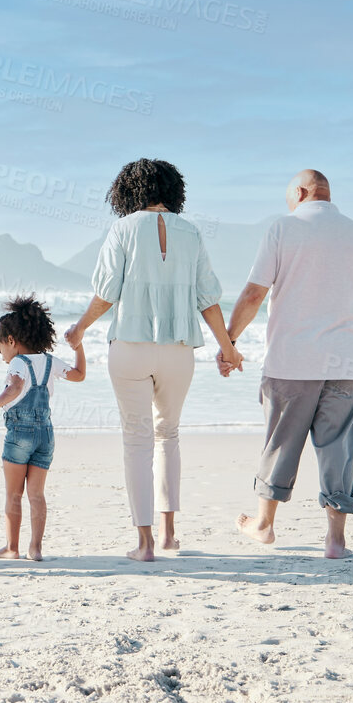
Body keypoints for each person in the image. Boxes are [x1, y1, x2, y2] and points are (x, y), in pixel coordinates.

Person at [64, 158, 243, 563]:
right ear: (172, 190)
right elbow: (207, 298)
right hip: (179, 351)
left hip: (129, 346)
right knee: (169, 435)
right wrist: (227, 348)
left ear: (127, 192)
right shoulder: (192, 232)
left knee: (137, 440)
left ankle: (143, 543)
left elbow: (107, 292)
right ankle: (168, 534)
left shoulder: (122, 229)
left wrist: (79, 329)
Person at [226, 168, 353, 559]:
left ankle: (264, 524)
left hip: (291, 360)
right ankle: (336, 540)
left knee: (280, 442)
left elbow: (255, 293)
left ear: (302, 191)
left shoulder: (284, 228)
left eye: (289, 197)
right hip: (346, 363)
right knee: (339, 449)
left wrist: (229, 341)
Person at [0, 296, 86, 562]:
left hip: (19, 435)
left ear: (11, 341)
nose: (4, 359)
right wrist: (78, 345)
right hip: (46, 435)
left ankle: (11, 547)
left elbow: (15, 387)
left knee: (13, 494)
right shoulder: (50, 361)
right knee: (37, 495)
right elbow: (79, 374)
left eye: (1, 352)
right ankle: (36, 548)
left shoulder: (18, 362)